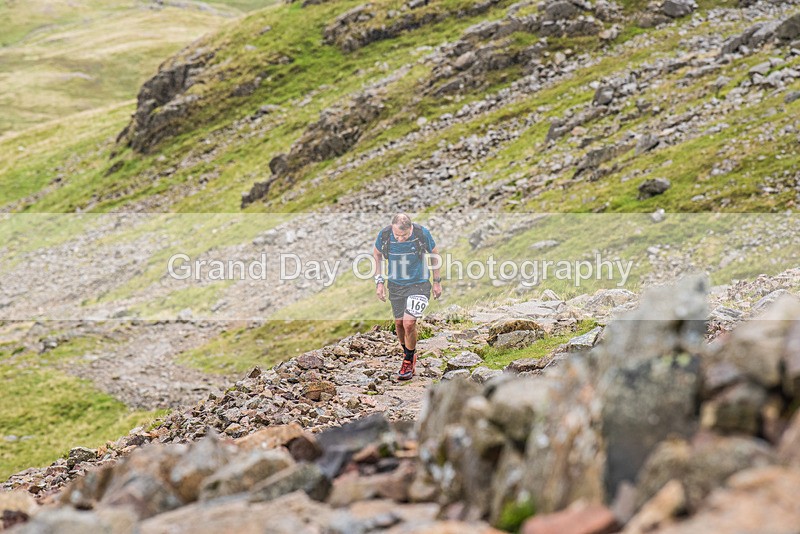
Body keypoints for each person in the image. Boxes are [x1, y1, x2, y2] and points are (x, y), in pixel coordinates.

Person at [373, 214, 442, 380]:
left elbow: (434, 255)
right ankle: (409, 353)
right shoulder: (384, 235)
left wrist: (437, 282)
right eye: (397, 235)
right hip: (396, 285)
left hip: (419, 284)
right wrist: (379, 282)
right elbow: (377, 254)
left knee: (409, 323)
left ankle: (408, 360)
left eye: (404, 235)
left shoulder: (421, 233)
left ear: (410, 229)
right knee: (399, 324)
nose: (400, 239)